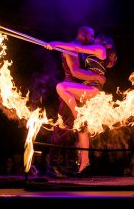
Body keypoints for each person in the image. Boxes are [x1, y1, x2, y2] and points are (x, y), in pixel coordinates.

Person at [45, 34, 117, 173]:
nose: (92, 39)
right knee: (82, 129)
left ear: (102, 41)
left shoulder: (99, 48)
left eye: (94, 37)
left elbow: (76, 48)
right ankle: (84, 163)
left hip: (91, 90)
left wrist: (56, 43)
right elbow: (77, 51)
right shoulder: (101, 51)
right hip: (88, 91)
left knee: (61, 87)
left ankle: (76, 112)